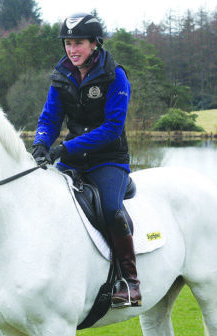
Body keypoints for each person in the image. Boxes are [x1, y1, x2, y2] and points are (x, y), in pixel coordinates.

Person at [31, 13, 141, 308]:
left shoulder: (115, 75)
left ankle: (129, 282)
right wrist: (41, 142)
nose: (71, 49)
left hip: (109, 160)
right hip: (73, 160)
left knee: (110, 209)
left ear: (94, 44)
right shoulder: (61, 75)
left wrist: (64, 148)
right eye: (68, 43)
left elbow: (111, 128)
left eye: (78, 43)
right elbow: (49, 118)